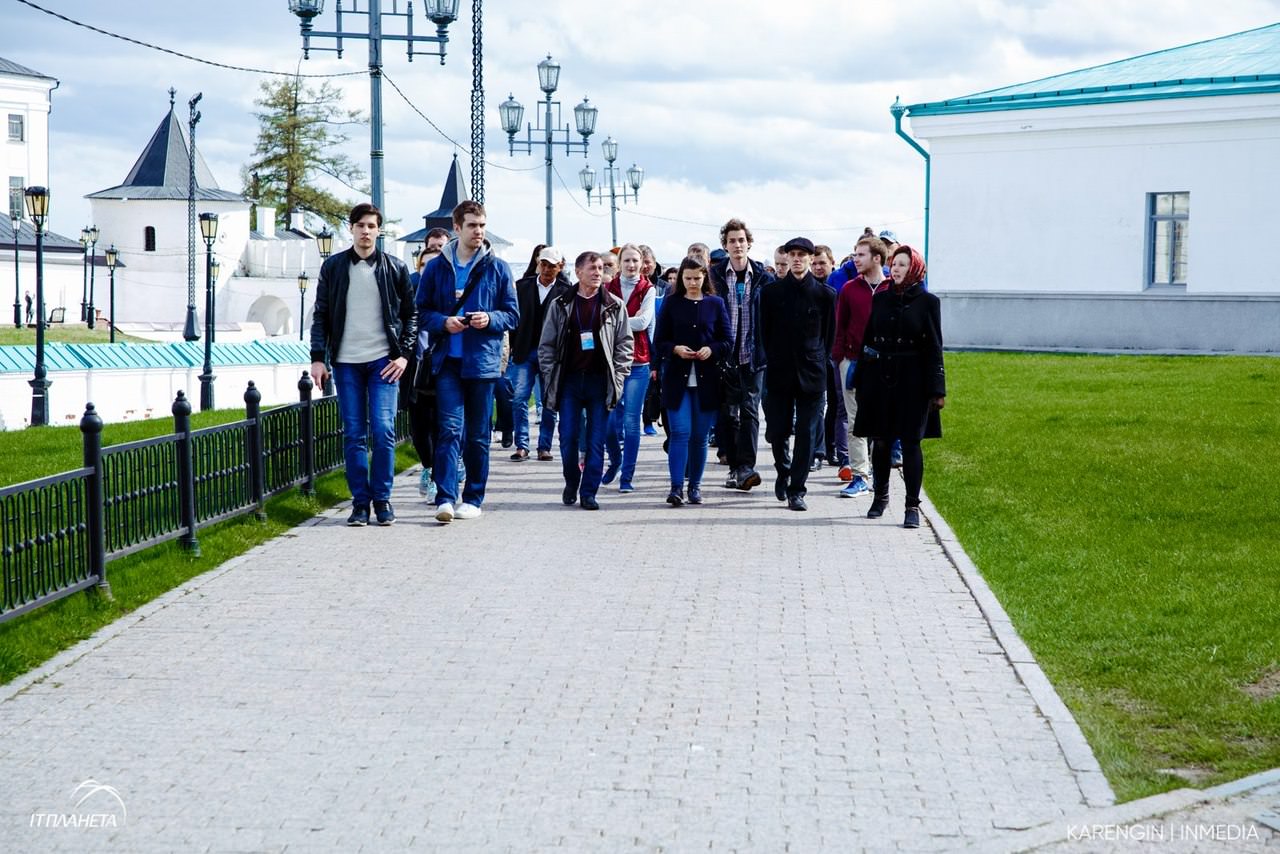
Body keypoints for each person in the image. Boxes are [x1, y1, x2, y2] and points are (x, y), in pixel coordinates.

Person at [309, 202, 417, 527]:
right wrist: (318, 359)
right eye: (361, 226)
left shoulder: (395, 268)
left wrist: (404, 355)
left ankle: (382, 499)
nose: (366, 232)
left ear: (379, 230)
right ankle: (360, 503)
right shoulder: (333, 267)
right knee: (354, 433)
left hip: (384, 361)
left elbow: (411, 315)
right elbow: (321, 315)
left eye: (371, 226)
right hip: (346, 362)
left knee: (383, 430)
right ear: (351, 229)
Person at [417, 200, 518, 523]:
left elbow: (512, 315)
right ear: (457, 228)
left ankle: (473, 498)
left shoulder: (498, 268)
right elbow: (422, 312)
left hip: (482, 362)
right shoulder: (437, 268)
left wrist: (489, 319)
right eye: (473, 225)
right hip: (448, 361)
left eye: (482, 225)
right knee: (448, 430)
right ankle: (445, 498)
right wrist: (443, 322)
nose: (479, 231)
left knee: (477, 435)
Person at [853, 245, 945, 529]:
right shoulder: (881, 299)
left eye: (903, 265)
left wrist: (937, 389)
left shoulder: (928, 302)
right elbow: (869, 339)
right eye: (894, 264)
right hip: (880, 378)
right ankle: (880, 497)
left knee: (910, 443)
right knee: (880, 441)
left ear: (914, 268)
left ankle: (912, 506)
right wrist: (861, 377)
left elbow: (934, 347)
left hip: (913, 381)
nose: (896, 269)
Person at [538, 251, 633, 510]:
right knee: (568, 437)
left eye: (601, 268)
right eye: (592, 268)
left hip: (599, 381)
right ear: (578, 272)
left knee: (596, 440)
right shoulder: (561, 304)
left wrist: (619, 376)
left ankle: (589, 491)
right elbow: (546, 345)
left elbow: (625, 344)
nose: (597, 273)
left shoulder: (614, 305)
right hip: (569, 380)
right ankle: (572, 480)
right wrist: (549, 374)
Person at [759, 237, 835, 512]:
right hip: (780, 372)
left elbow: (829, 336)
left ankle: (797, 489)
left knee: (807, 432)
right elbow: (764, 332)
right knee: (778, 430)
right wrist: (772, 359)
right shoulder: (771, 293)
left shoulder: (825, 295)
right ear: (787, 258)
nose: (797, 259)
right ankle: (783, 470)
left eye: (802, 255)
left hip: (812, 374)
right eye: (792, 254)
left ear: (811, 258)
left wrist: (818, 360)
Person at [653, 257, 731, 506]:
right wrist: (674, 349)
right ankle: (676, 487)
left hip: (708, 379)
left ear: (705, 277)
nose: (693, 283)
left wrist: (712, 349)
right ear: (681, 278)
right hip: (677, 378)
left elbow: (727, 340)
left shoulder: (715, 303)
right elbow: (659, 340)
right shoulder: (672, 302)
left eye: (697, 278)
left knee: (699, 436)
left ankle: (695, 486)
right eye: (687, 278)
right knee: (680, 432)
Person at [709, 217, 775, 492]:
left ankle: (747, 467)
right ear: (725, 245)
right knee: (728, 413)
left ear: (749, 243)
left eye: (741, 240)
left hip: (753, 355)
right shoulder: (713, 276)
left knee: (750, 410)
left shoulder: (763, 277)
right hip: (724, 355)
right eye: (732, 241)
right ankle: (735, 467)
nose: (737, 245)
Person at [832, 235, 889, 499]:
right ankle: (859, 477)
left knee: (881, 421)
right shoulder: (849, 289)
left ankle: (879, 474)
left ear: (877, 258)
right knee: (855, 420)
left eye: (861, 255)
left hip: (884, 365)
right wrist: (840, 359)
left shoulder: (891, 288)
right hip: (852, 362)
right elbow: (840, 325)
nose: (856, 259)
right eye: (855, 254)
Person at [508, 245, 571, 461]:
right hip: (524, 351)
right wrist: (512, 346)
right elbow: (513, 318)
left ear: (559, 267)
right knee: (519, 398)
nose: (546, 269)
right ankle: (522, 445)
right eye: (543, 264)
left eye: (551, 266)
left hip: (552, 355)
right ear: (537, 263)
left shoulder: (565, 291)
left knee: (549, 401)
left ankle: (544, 446)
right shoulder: (522, 286)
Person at [602, 243, 655, 492]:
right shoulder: (607, 288)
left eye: (635, 260)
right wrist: (625, 321)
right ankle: (615, 459)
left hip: (638, 361)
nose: (631, 265)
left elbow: (643, 322)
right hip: (611, 361)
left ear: (642, 263)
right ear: (619, 263)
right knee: (608, 420)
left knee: (631, 422)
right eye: (627, 260)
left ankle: (627, 477)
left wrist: (615, 320)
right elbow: (599, 319)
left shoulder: (648, 289)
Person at [403, 239, 447, 502]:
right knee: (419, 429)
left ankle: (438, 479)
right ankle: (428, 467)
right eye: (424, 267)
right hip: (417, 371)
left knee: (443, 428)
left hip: (443, 370)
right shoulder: (410, 301)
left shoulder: (447, 300)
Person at [812, 244, 848, 476]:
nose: (817, 267)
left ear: (832, 263)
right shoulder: (809, 288)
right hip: (815, 354)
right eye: (814, 263)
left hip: (834, 351)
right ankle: (818, 451)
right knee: (817, 404)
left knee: (835, 403)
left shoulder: (837, 287)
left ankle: (832, 447)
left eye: (822, 263)